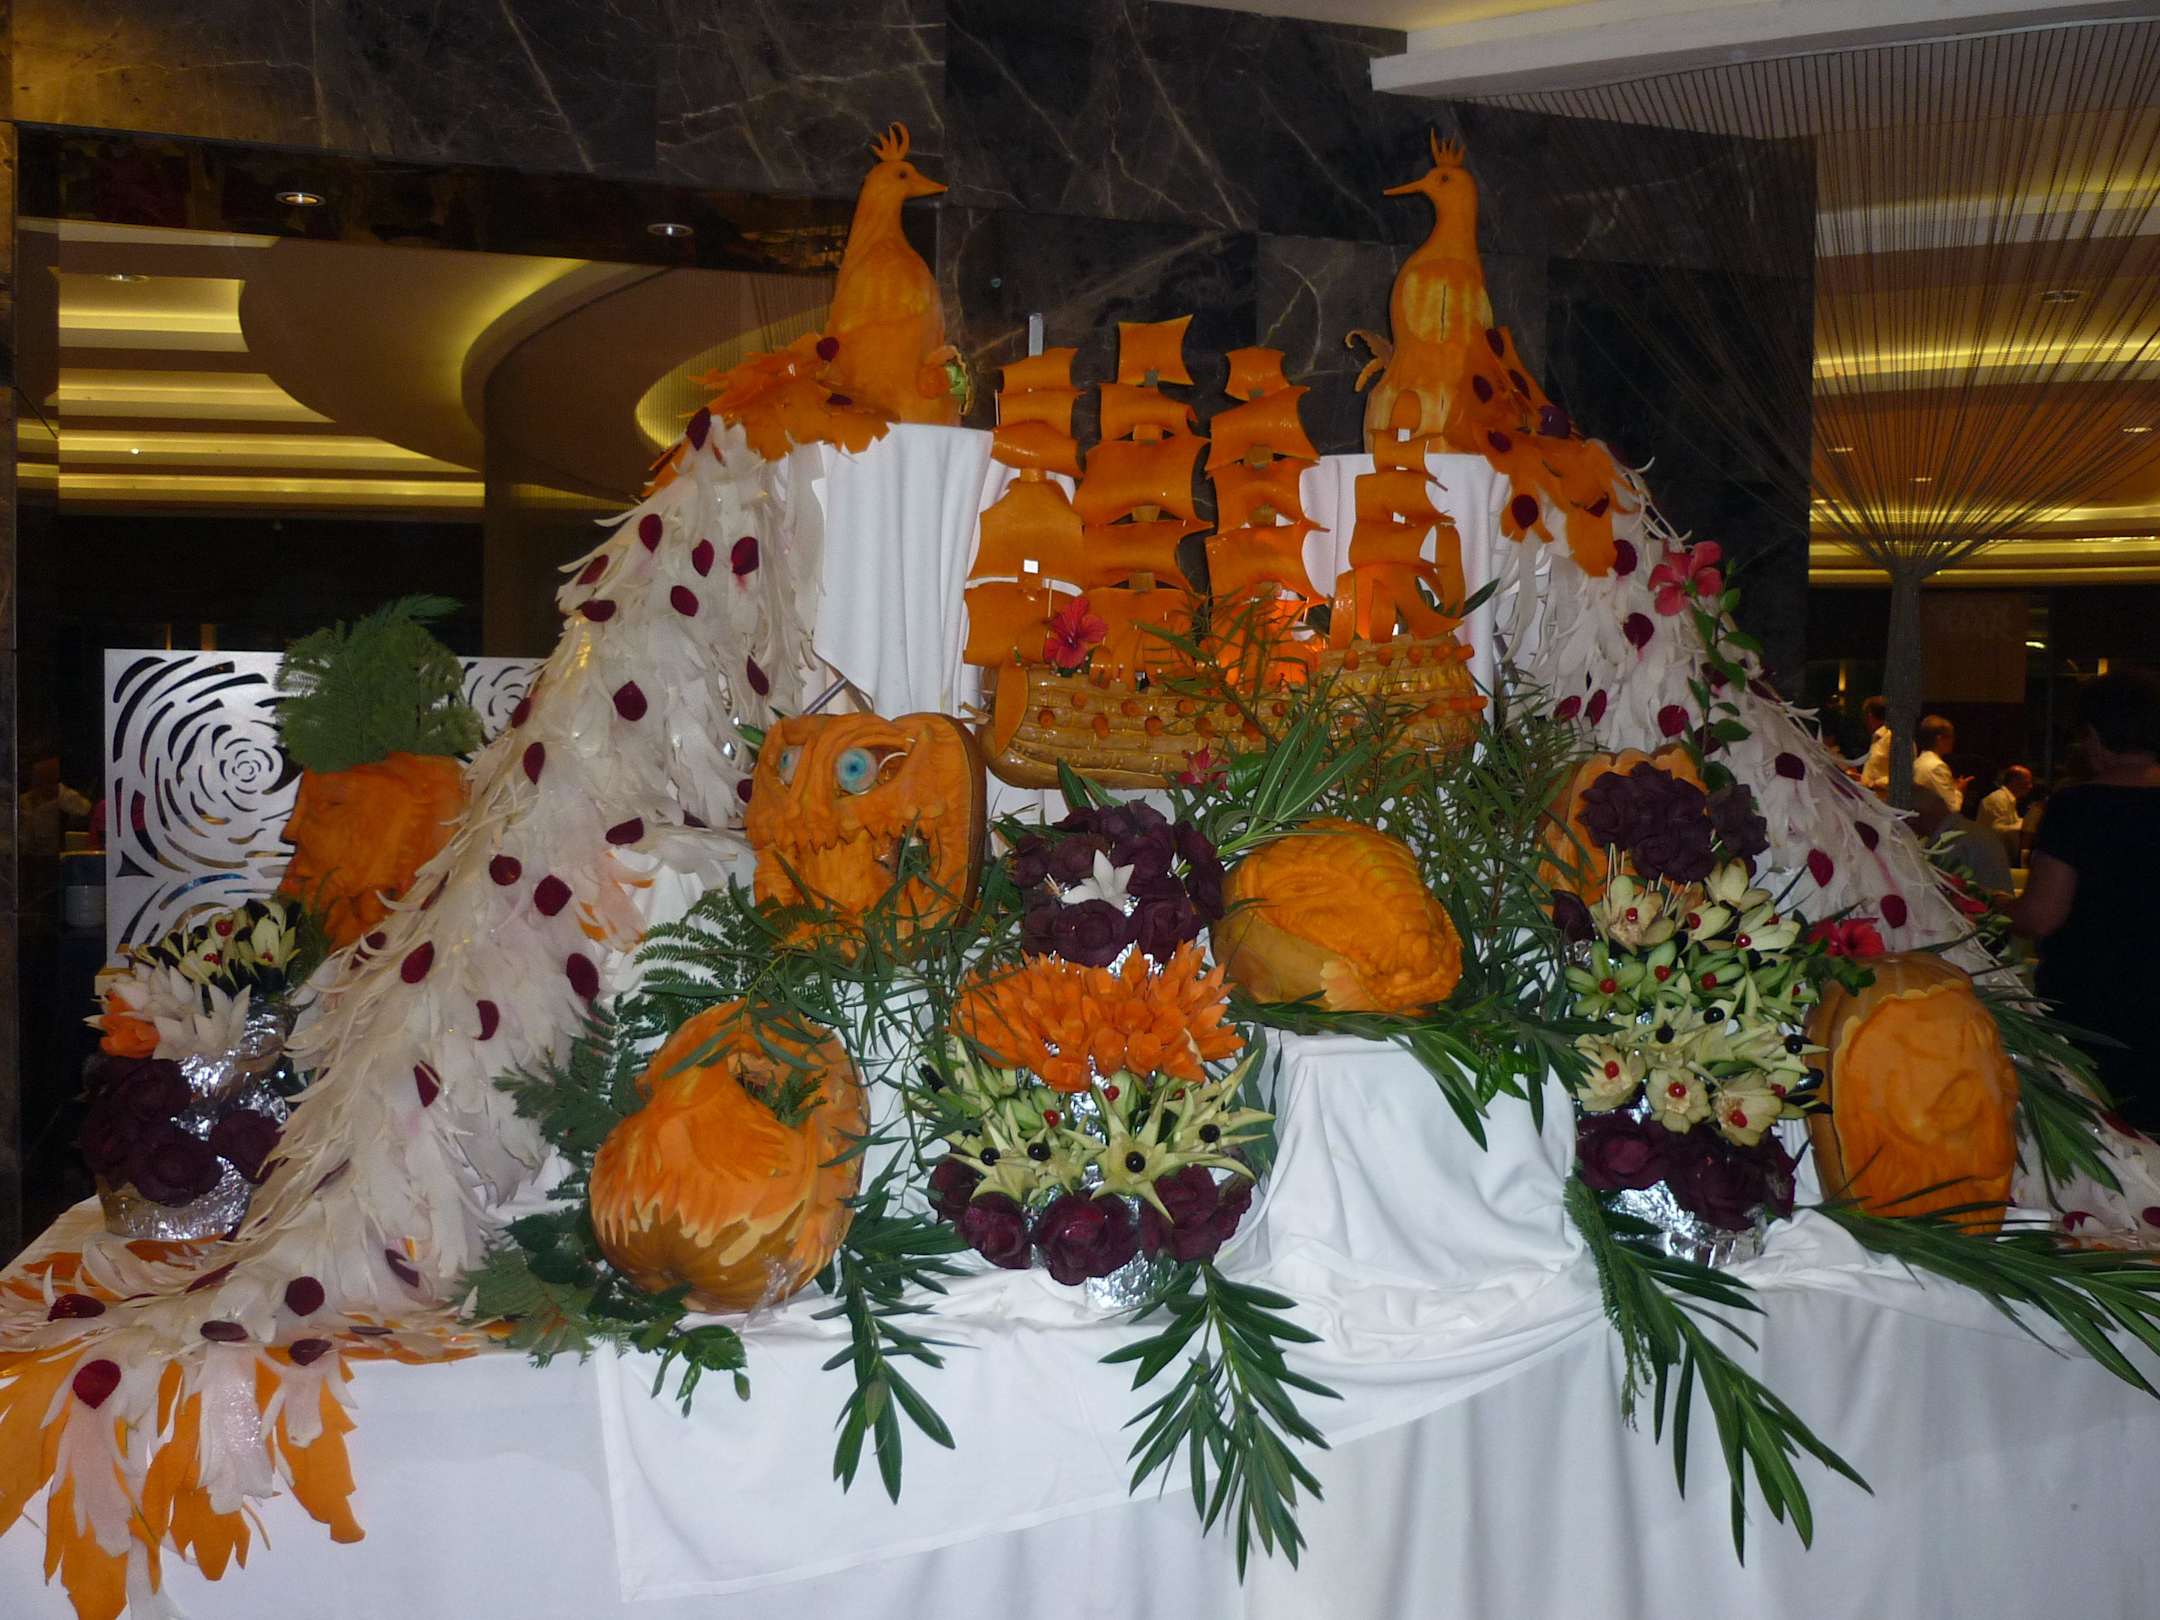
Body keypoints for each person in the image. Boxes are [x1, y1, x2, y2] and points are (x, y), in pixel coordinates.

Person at [2009, 670, 2160, 1128]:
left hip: (2094, 1005)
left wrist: (1993, 905)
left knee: (2103, 1138)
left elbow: (2041, 916)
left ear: (2094, 737)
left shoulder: (2077, 807)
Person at [1912, 714, 1969, 814]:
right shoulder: (1936, 767)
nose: (1953, 741)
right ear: (1940, 739)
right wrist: (1959, 790)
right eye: (1951, 737)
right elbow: (1952, 808)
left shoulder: (1918, 761)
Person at [1976, 764, 2032, 866]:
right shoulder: (1997, 799)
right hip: (1990, 860)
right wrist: (2027, 825)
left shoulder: (2007, 800)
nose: (2030, 786)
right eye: (2027, 782)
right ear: (2014, 781)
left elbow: (2011, 824)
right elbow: (1997, 830)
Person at [1857, 695, 1892, 792]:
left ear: (1870, 716)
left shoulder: (1895, 738)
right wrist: (1862, 779)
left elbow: (1903, 776)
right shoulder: (1878, 736)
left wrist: (1871, 784)